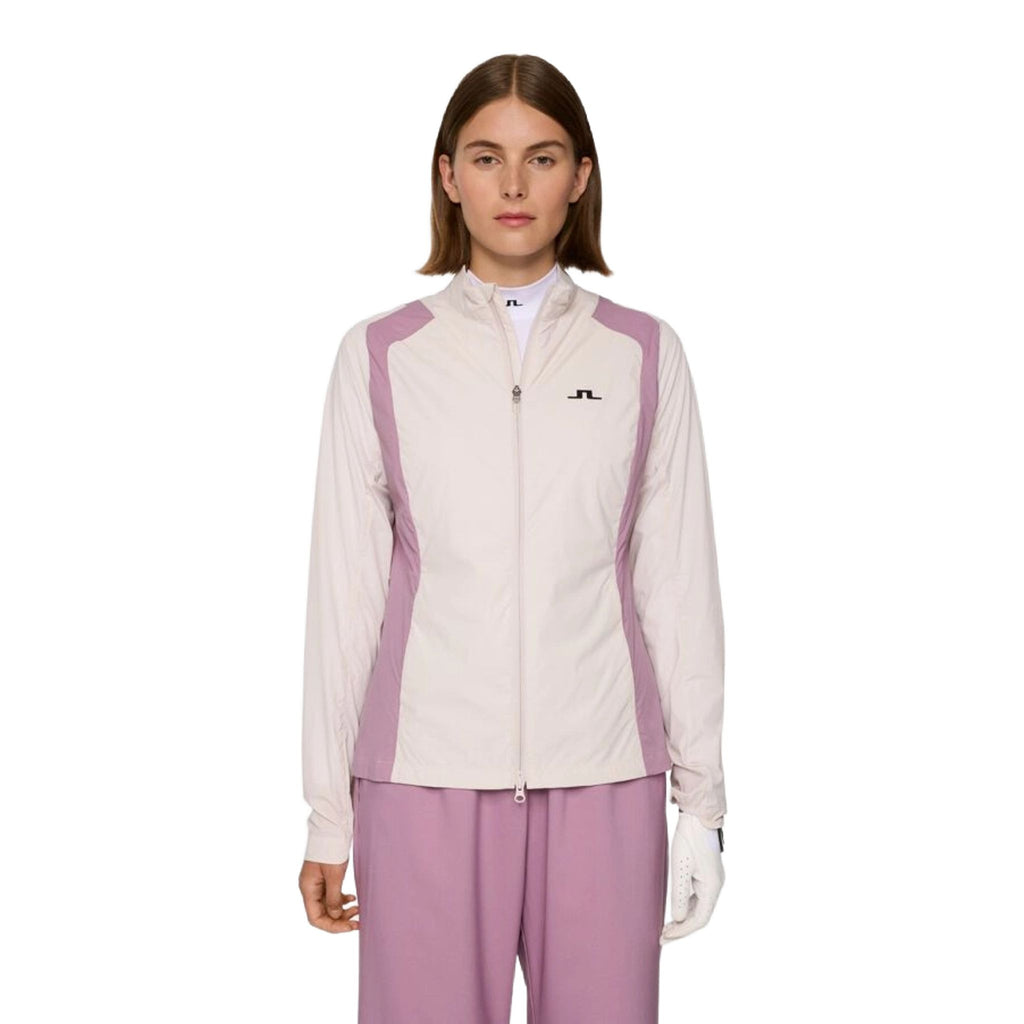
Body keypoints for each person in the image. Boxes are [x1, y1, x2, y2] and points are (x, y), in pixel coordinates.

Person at [297, 53, 727, 1024]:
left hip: (605, 773)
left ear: (580, 175)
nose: (514, 185)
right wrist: (328, 812)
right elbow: (345, 598)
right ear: (448, 175)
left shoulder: (642, 353)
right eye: (487, 157)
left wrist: (702, 803)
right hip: (423, 779)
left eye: (543, 157)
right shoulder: (383, 356)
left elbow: (677, 584)